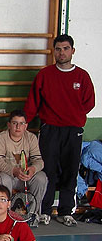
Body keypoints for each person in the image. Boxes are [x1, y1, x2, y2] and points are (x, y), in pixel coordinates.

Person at [24, 34, 95, 227]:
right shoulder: (45, 75)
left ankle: (66, 211)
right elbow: (32, 103)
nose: (61, 52)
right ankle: (45, 211)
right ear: (54, 51)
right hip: (50, 130)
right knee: (48, 171)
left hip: (73, 131)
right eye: (58, 49)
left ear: (72, 51)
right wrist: (24, 124)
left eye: (65, 48)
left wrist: (73, 116)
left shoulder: (82, 76)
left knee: (71, 170)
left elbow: (89, 102)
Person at [0, 110, 48, 227]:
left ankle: (33, 214)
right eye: (14, 123)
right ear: (9, 125)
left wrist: (32, 169)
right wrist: (14, 170)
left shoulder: (31, 138)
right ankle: (5, 214)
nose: (18, 127)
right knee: (3, 179)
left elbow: (39, 161)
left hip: (26, 176)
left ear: (26, 126)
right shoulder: (1, 138)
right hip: (9, 175)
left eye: (21, 123)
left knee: (41, 178)